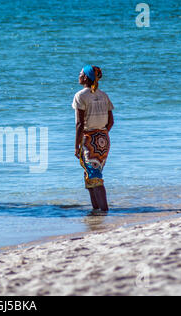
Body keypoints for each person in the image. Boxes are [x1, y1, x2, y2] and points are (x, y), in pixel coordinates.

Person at [72, 65, 114, 213]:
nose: (78, 75)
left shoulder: (80, 96)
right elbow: (111, 122)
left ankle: (104, 210)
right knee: (91, 175)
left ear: (85, 78)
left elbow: (79, 124)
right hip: (103, 139)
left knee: (95, 176)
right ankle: (96, 212)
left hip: (89, 140)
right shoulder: (104, 95)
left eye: (80, 73)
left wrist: (77, 145)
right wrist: (101, 134)